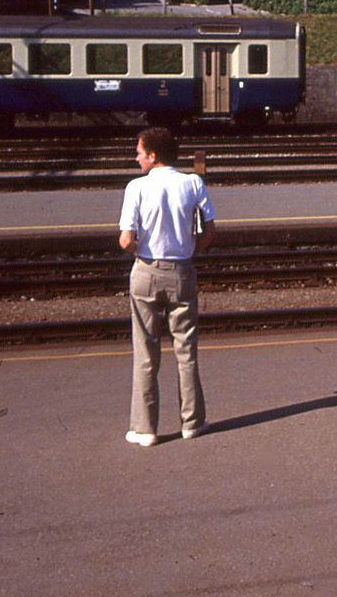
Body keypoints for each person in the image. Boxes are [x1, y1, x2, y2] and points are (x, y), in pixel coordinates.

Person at [118, 127, 216, 446]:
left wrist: (143, 254)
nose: (136, 157)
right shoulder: (193, 183)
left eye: (139, 152)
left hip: (145, 272)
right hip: (182, 271)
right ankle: (192, 423)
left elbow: (126, 240)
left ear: (153, 155)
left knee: (146, 351)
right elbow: (210, 229)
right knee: (186, 350)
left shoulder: (136, 187)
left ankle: (145, 429)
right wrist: (189, 252)